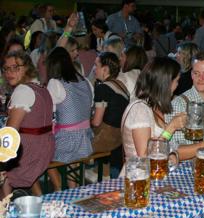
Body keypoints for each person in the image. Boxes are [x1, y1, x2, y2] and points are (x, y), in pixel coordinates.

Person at [119, 57, 186, 174]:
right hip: (137, 179)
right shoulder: (139, 109)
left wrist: (172, 155)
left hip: (156, 175)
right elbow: (144, 157)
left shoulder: (155, 106)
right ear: (166, 83)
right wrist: (171, 128)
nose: (177, 85)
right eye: (176, 81)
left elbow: (165, 148)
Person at [1, 51, 55, 197]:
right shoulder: (41, 88)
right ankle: (38, 200)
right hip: (46, 146)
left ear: (27, 68)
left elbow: (10, 132)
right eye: (6, 68)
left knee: (4, 175)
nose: (9, 73)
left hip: (31, 150)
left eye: (15, 67)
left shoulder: (22, 90)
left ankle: (3, 208)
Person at [46, 47, 94, 188]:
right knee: (71, 158)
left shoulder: (55, 83)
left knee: (41, 153)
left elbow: (49, 112)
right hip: (85, 139)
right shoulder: (85, 81)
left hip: (67, 140)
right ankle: (74, 189)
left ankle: (59, 189)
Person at [92, 52, 129, 178]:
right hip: (121, 139)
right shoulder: (121, 85)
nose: (94, 69)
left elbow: (96, 122)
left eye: (96, 66)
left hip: (107, 140)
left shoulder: (102, 88)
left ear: (105, 69)